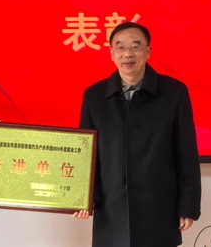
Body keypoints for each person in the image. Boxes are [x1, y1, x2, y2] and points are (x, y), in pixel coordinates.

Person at [73, 22, 201, 247]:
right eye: (120, 47)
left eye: (135, 47)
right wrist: (80, 197)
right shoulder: (94, 96)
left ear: (148, 51)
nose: (128, 54)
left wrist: (188, 206)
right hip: (111, 208)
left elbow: (186, 153)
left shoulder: (174, 93)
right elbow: (85, 155)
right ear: (111, 53)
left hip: (159, 206)